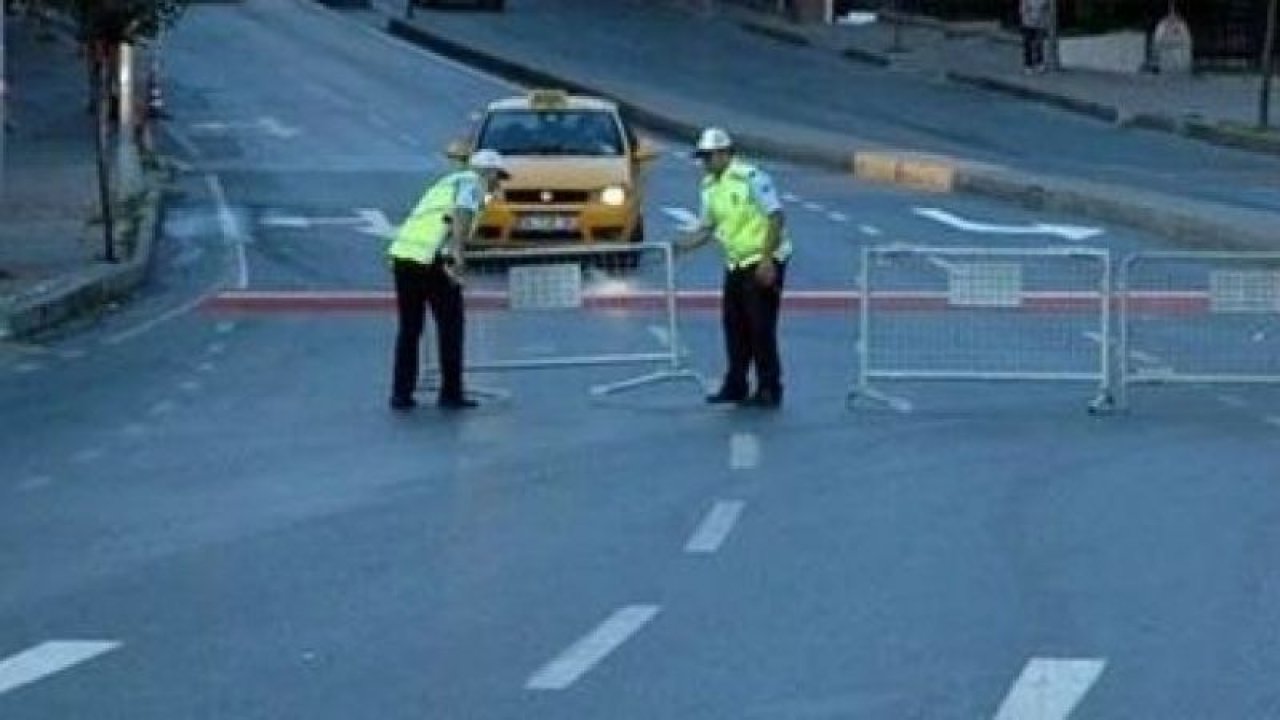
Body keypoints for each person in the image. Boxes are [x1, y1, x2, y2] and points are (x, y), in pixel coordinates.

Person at [677, 127, 792, 408]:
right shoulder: (709, 186)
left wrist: (767, 260)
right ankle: (736, 385)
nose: (704, 163)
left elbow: (776, 217)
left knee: (761, 327)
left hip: (762, 258)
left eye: (708, 157)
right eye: (702, 158)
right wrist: (680, 247)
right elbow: (708, 227)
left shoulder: (750, 178)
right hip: (736, 261)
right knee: (734, 326)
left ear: (724, 153)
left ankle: (769, 387)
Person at [387, 149, 510, 411]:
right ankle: (451, 393)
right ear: (487, 172)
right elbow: (462, 215)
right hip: (434, 261)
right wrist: (457, 256)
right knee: (451, 327)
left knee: (410, 330)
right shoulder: (472, 184)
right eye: (497, 176)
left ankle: (401, 394)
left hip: (405, 257)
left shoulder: (447, 183)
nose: (498, 183)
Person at [1020, 0, 1050, 73]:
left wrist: (1046, 22)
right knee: (1028, 44)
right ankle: (1028, 64)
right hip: (1028, 23)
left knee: (1039, 43)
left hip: (1040, 23)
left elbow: (1047, 9)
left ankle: (1039, 63)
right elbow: (1023, 10)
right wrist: (1029, 18)